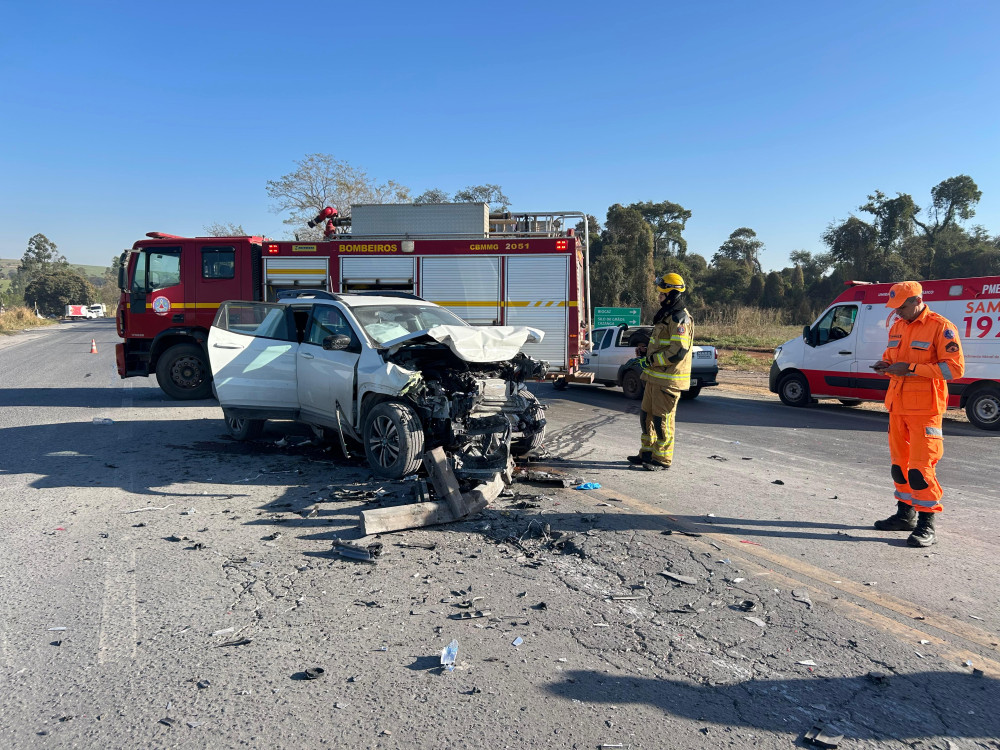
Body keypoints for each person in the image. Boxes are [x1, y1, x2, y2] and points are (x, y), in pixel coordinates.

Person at [872, 281, 965, 547]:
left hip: (925, 410)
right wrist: (886, 365)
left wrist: (911, 368)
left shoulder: (941, 327)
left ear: (917, 300)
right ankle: (905, 515)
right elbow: (892, 358)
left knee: (920, 470)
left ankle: (927, 524)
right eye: (894, 307)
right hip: (897, 406)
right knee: (899, 466)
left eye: (901, 307)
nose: (897, 312)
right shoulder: (898, 326)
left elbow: (954, 369)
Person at [627, 273, 694, 471]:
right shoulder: (666, 315)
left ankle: (662, 459)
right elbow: (662, 345)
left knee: (662, 420)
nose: (659, 297)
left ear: (672, 295)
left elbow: (678, 351)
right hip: (654, 377)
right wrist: (646, 351)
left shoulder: (680, 318)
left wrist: (653, 359)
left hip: (668, 380)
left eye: (662, 294)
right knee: (646, 416)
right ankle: (647, 453)